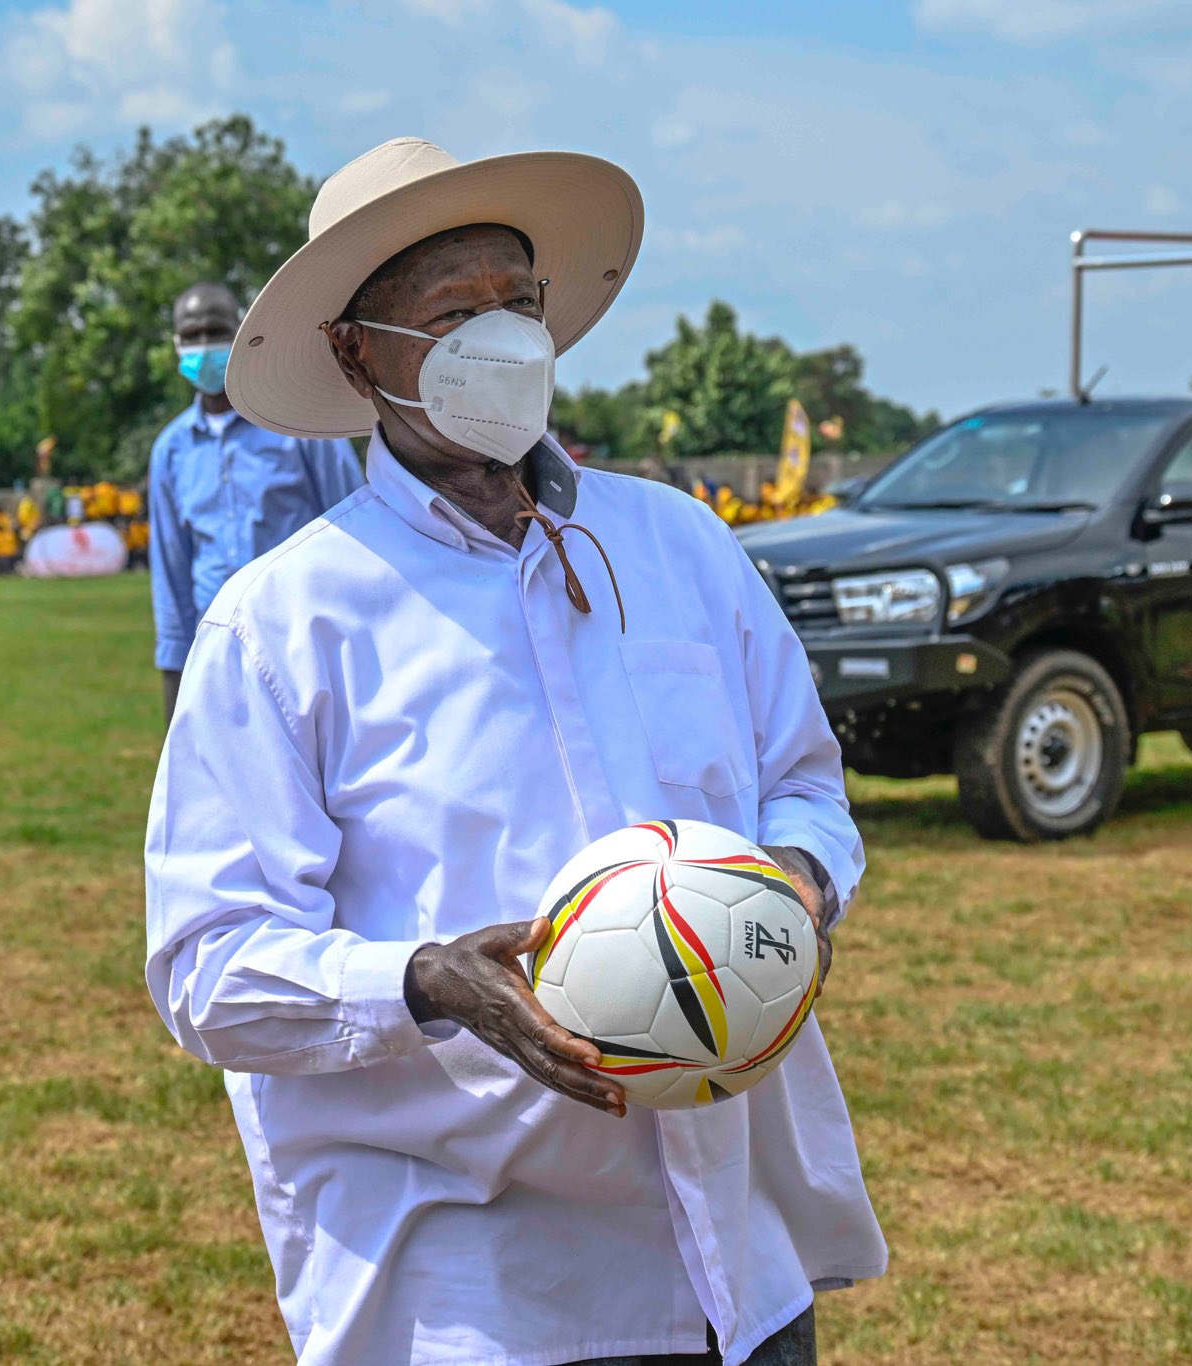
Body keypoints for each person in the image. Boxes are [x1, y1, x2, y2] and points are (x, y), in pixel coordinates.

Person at [145, 138, 886, 1366]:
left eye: (519, 303)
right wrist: (427, 983)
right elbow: (206, 964)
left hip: (736, 1265)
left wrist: (796, 887)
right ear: (354, 352)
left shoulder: (680, 546)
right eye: (452, 313)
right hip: (480, 1291)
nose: (502, 339)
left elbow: (802, 782)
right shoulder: (284, 623)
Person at [149, 280, 365, 721]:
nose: (203, 345)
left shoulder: (299, 426)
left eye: (216, 331)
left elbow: (358, 533)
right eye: (191, 336)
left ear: (240, 333)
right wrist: (176, 689)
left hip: (305, 646)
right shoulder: (171, 451)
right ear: (176, 345)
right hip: (218, 655)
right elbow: (171, 573)